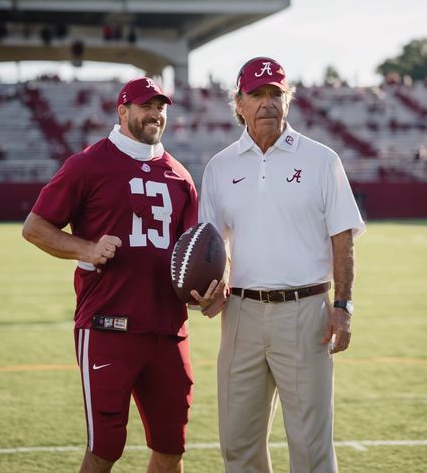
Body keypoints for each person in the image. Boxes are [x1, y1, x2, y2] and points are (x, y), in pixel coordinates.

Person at [191, 57, 366, 473]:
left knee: (310, 447)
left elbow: (342, 239)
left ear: (288, 101)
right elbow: (212, 249)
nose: (267, 103)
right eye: (256, 94)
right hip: (240, 315)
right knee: (238, 444)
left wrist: (342, 308)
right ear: (239, 103)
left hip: (306, 312)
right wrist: (211, 293)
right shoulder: (219, 167)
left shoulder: (323, 160)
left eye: (276, 94)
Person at [22, 77, 198, 473]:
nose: (155, 114)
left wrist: (207, 288)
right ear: (123, 111)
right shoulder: (89, 163)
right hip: (108, 327)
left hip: (169, 331)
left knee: (172, 449)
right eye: (145, 106)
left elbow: (189, 255)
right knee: (104, 451)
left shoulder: (180, 176)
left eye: (161, 107)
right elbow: (35, 227)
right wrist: (85, 249)